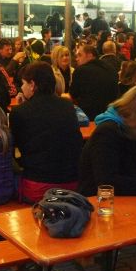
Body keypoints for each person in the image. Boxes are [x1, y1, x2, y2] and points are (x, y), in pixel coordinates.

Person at [10, 62, 83, 202]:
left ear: (32, 84)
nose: (22, 88)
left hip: (38, 187)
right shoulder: (67, 106)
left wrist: (23, 107)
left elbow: (16, 146)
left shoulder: (19, 112)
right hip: (72, 184)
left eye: (24, 83)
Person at [78, 83, 136, 196]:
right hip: (96, 201)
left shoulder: (134, 131)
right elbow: (107, 183)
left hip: (124, 201)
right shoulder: (107, 132)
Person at [70, 44, 119, 120]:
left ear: (90, 55)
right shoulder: (111, 69)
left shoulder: (80, 71)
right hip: (109, 115)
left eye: (80, 55)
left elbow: (73, 95)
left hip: (87, 116)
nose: (77, 59)